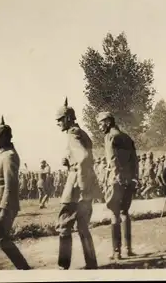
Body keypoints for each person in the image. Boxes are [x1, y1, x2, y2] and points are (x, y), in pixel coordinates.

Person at [0, 116, 31, 270]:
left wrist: (5, 208)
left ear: (7, 137)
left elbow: (11, 184)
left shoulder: (9, 156)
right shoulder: (3, 154)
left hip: (1, 205)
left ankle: (24, 269)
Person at [55, 98, 98, 270]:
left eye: (60, 119)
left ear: (68, 118)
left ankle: (63, 266)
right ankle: (91, 263)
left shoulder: (72, 134)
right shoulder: (81, 132)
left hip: (76, 184)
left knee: (64, 224)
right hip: (86, 182)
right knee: (82, 226)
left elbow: (83, 158)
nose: (57, 122)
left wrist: (80, 184)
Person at [97, 111, 138, 261]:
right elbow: (135, 160)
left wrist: (116, 176)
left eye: (101, 123)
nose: (100, 127)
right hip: (129, 179)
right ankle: (128, 249)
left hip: (116, 180)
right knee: (125, 212)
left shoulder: (109, 137)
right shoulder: (127, 137)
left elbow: (112, 159)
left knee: (114, 214)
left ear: (108, 122)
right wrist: (134, 178)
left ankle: (116, 252)